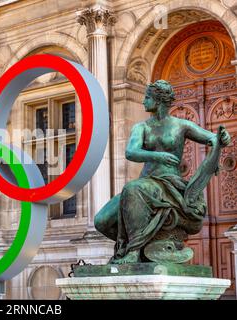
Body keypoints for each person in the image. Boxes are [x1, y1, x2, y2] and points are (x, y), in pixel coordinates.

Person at [94, 80, 231, 264]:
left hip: (169, 183)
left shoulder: (181, 125)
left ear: (158, 100)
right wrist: (158, 156)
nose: (143, 102)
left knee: (132, 189)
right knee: (101, 220)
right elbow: (130, 152)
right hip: (147, 182)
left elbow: (212, 138)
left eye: (147, 97)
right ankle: (139, 246)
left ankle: (134, 252)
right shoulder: (141, 127)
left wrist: (222, 137)